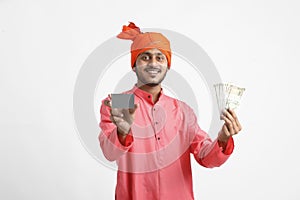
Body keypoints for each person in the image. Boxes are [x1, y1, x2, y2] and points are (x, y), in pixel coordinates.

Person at [98, 22, 242, 200]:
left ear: (167, 66)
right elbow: (109, 153)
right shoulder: (116, 103)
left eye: (160, 57)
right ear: (134, 65)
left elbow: (205, 157)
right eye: (145, 57)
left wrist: (222, 139)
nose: (153, 63)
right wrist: (122, 132)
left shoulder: (182, 111)